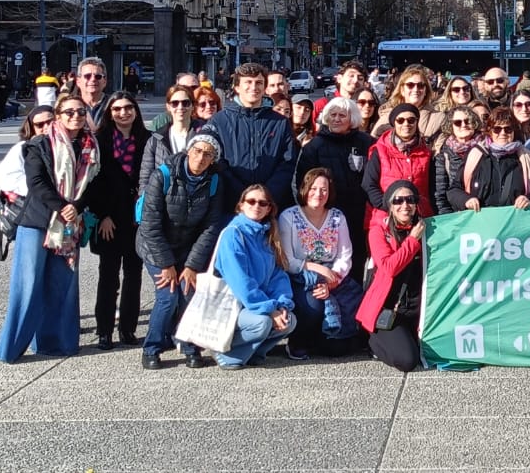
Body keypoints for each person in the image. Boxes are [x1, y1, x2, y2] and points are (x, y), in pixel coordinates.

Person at [0, 94, 101, 362]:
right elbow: (37, 182)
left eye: (80, 112)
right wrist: (63, 206)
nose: (76, 116)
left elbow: (95, 183)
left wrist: (76, 206)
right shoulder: (38, 144)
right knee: (28, 284)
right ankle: (11, 348)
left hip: (70, 223)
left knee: (63, 284)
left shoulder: (90, 145)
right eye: (69, 112)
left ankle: (58, 343)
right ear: (59, 115)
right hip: (38, 220)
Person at [136, 130, 226, 369]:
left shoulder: (214, 182)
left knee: (188, 292)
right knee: (167, 296)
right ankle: (152, 348)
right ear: (188, 150)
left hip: (186, 247)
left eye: (208, 154)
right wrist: (166, 264)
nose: (201, 158)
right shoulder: (163, 175)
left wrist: (192, 265)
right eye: (197, 151)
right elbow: (150, 224)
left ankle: (188, 345)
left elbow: (210, 227)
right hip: (155, 245)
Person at [209, 184, 297, 368]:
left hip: (254, 306)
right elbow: (241, 283)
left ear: (269, 208)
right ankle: (225, 353)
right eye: (251, 201)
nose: (256, 206)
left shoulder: (267, 236)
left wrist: (281, 305)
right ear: (241, 205)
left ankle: (254, 353)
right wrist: (269, 309)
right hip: (232, 307)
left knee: (289, 320)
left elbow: (277, 276)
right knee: (262, 322)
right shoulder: (233, 234)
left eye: (263, 203)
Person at [279, 167, 363, 358]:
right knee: (314, 305)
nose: (318, 194)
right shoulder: (289, 217)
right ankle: (298, 339)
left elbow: (344, 255)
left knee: (338, 349)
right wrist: (315, 268)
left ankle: (328, 336)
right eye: (313, 188)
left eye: (324, 189)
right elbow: (287, 260)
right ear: (304, 189)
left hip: (333, 277)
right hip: (300, 277)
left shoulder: (337, 217)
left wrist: (331, 281)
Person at [87, 90, 147, 349]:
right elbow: (92, 182)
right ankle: (104, 330)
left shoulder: (147, 139)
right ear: (110, 113)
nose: (124, 113)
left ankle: (128, 329)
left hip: (137, 218)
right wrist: (103, 215)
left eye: (128, 108)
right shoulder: (99, 141)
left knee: (134, 275)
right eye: (117, 109)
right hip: (109, 218)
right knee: (108, 276)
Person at [296, 97, 374, 284]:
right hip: (326, 216)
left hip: (359, 214)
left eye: (342, 115)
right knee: (328, 261)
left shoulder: (367, 143)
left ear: (352, 118)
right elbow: (301, 183)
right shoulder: (314, 147)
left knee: (355, 260)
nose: (337, 119)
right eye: (333, 115)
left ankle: (354, 297)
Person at [209, 62, 298, 213]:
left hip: (270, 204)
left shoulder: (280, 122)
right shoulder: (220, 121)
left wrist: (265, 196)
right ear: (237, 87)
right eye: (248, 82)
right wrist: (244, 196)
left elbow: (287, 163)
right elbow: (218, 161)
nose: (254, 87)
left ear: (264, 87)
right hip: (231, 205)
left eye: (259, 83)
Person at [357, 179, 426, 372]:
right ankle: (373, 342)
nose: (405, 205)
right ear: (390, 205)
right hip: (389, 310)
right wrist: (412, 241)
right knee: (408, 361)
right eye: (398, 201)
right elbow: (388, 268)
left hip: (420, 310)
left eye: (410, 200)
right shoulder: (379, 231)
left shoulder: (426, 229)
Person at [447, 107, 530, 210]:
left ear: (514, 131)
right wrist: (466, 200)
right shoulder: (476, 155)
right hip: (480, 218)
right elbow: (454, 190)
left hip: (516, 218)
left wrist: (529, 199)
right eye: (497, 129)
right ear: (490, 131)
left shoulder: (526, 157)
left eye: (508, 129)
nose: (502, 133)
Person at [362, 104, 435, 226]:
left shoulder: (426, 152)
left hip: (419, 217)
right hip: (385, 217)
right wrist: (389, 207)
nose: (406, 124)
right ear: (394, 124)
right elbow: (369, 184)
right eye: (400, 120)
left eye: (411, 120)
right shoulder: (380, 150)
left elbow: (432, 188)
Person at [0, 107, 55, 209]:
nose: (47, 127)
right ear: (32, 128)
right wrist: (41, 191)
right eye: (40, 125)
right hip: (35, 204)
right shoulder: (22, 148)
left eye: (50, 122)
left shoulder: (68, 144)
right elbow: (8, 179)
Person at [433, 105, 483, 214]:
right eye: (458, 122)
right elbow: (440, 194)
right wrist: (448, 218)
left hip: (483, 210)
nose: (463, 125)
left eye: (467, 121)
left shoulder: (486, 148)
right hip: (456, 214)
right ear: (451, 126)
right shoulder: (444, 155)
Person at [373, 64, 441, 138]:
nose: (416, 89)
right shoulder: (387, 115)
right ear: (402, 90)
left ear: (426, 91)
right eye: (410, 85)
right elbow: (373, 142)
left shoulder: (438, 118)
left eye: (420, 85)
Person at [74, 57, 112, 126]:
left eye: (98, 76)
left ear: (104, 81)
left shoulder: (113, 104)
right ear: (78, 81)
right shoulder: (69, 106)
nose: (93, 79)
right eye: (87, 76)